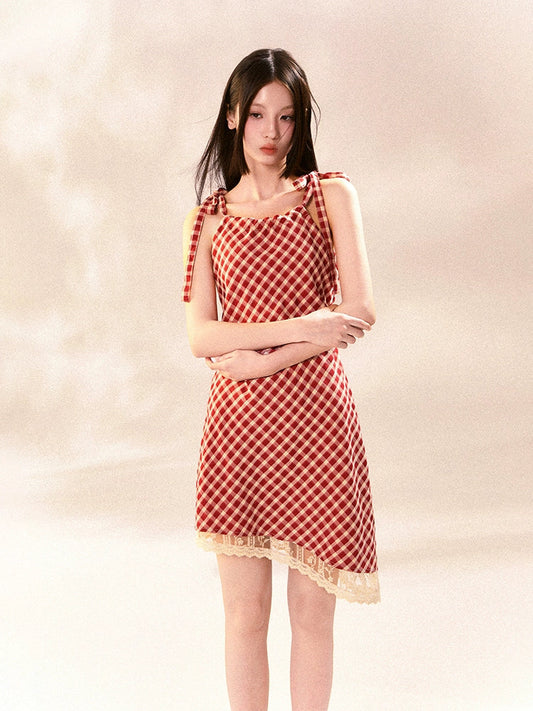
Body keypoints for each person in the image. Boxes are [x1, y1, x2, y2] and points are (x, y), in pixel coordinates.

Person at [182, 48, 379, 711]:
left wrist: (263, 359)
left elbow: (359, 310)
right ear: (233, 117)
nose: (271, 132)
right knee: (245, 614)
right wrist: (307, 327)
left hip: (317, 421)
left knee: (311, 613)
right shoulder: (208, 219)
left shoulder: (330, 196)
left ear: (301, 122)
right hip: (238, 429)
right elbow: (201, 336)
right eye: (258, 114)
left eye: (287, 117)